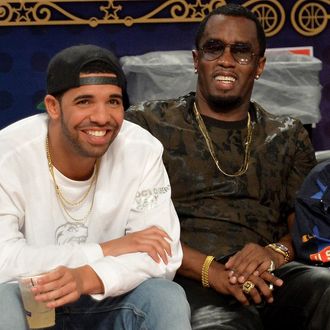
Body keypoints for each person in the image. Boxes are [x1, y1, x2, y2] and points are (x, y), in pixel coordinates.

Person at [125, 4, 330, 330]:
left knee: (326, 288)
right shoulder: (148, 124)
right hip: (188, 275)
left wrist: (273, 254)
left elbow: (306, 227)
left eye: (242, 52)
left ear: (259, 65)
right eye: (214, 48)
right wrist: (211, 270)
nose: (226, 60)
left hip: (271, 273)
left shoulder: (287, 134)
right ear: (197, 60)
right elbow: (130, 225)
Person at [0, 44, 191, 330]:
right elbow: (4, 261)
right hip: (33, 303)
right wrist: (107, 249)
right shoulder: (8, 154)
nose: (102, 117)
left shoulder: (142, 149)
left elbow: (165, 256)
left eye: (113, 101)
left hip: (108, 299)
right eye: (84, 101)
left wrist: (86, 276)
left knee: (166, 297)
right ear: (53, 106)